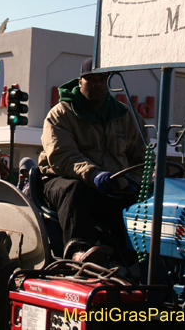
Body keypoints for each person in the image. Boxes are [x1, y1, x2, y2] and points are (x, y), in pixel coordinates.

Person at [39, 57, 146, 266]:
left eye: (101, 79)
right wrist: (94, 174)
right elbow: (62, 155)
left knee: (139, 202)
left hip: (111, 185)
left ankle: (135, 261)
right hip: (61, 179)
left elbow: (141, 158)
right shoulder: (61, 113)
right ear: (80, 82)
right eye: (90, 79)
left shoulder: (127, 116)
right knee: (74, 189)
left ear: (108, 83)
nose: (96, 84)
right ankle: (78, 249)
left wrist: (133, 180)